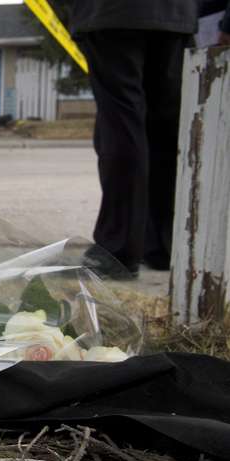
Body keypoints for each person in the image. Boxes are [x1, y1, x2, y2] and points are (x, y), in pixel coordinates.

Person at [73, 0, 229, 279]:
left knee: (121, 125)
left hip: (112, 13)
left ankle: (117, 250)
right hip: (176, 15)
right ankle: (162, 246)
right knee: (165, 129)